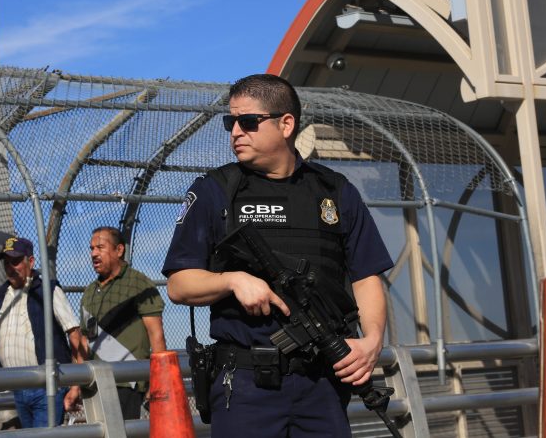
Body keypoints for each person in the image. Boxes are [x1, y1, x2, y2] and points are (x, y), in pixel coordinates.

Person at [162, 74, 394, 437]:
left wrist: (372, 342)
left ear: (286, 124)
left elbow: (367, 275)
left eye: (248, 121)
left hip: (323, 383)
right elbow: (178, 284)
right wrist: (232, 280)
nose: (235, 132)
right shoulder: (215, 191)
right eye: (230, 122)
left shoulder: (335, 191)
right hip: (246, 387)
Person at [0, 236, 83, 428]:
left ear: (30, 261)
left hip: (47, 386)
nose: (10, 267)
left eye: (15, 261)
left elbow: (74, 334)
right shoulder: (1, 297)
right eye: (6, 263)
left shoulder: (47, 290)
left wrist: (76, 383)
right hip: (18, 388)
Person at [79, 226, 167, 419]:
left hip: (127, 382)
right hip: (95, 382)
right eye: (91, 248)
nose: (94, 253)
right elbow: (84, 341)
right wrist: (76, 383)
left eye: (100, 247)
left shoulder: (139, 284)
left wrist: (159, 380)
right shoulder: (90, 292)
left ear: (119, 250)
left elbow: (156, 335)